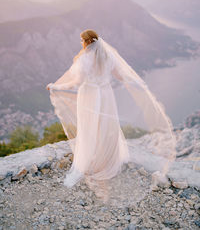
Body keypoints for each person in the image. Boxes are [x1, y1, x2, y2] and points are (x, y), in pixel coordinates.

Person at [46, 29, 176, 204]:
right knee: (107, 128)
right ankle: (108, 161)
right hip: (106, 95)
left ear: (86, 42)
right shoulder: (108, 57)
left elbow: (75, 83)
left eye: (81, 41)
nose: (81, 44)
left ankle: (91, 162)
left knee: (89, 129)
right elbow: (121, 76)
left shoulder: (84, 60)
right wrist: (138, 84)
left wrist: (56, 87)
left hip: (89, 96)